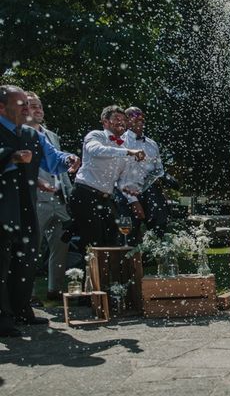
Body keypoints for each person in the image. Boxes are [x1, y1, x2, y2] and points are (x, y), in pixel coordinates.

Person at [0, 85, 80, 337]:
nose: (27, 108)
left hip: (26, 206)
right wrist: (10, 157)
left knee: (26, 259)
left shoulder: (33, 136)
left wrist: (68, 160)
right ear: (2, 107)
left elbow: (53, 158)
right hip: (2, 206)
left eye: (28, 103)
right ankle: (2, 318)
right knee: (1, 262)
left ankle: (22, 310)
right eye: (21, 103)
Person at [67, 105, 145, 250]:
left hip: (105, 198)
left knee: (114, 238)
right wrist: (128, 152)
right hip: (84, 194)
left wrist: (134, 200)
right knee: (94, 243)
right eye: (117, 118)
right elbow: (96, 150)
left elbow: (122, 180)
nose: (121, 122)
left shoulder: (123, 148)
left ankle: (109, 272)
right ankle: (87, 272)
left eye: (123, 119)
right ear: (105, 121)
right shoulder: (96, 135)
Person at [25, 92, 75, 302]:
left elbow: (59, 167)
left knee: (61, 246)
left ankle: (55, 289)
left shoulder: (51, 135)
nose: (38, 110)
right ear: (24, 109)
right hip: (36, 199)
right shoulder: (20, 134)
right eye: (33, 106)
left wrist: (69, 192)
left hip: (59, 199)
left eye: (40, 106)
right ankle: (28, 294)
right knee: (32, 248)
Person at [114, 106, 169, 245]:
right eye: (135, 115)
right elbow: (119, 178)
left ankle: (160, 260)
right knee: (127, 235)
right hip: (125, 196)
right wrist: (134, 201)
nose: (140, 118)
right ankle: (126, 264)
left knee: (160, 228)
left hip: (148, 192)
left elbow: (158, 171)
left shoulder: (152, 144)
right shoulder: (120, 142)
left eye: (141, 116)